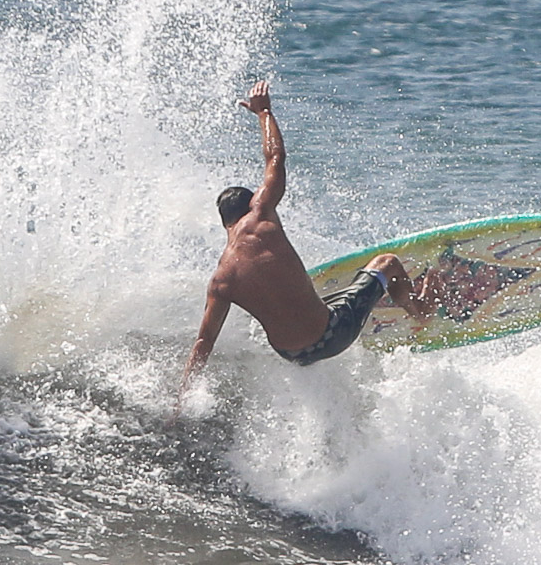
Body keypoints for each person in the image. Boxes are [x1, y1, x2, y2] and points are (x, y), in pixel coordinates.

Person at [178, 81, 433, 405]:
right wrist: (264, 112)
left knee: (305, 302)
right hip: (332, 335)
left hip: (293, 355)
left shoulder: (220, 282)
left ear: (224, 222)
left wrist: (182, 401)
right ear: (252, 203)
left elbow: (203, 343)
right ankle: (421, 311)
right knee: (388, 263)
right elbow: (276, 157)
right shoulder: (259, 215)